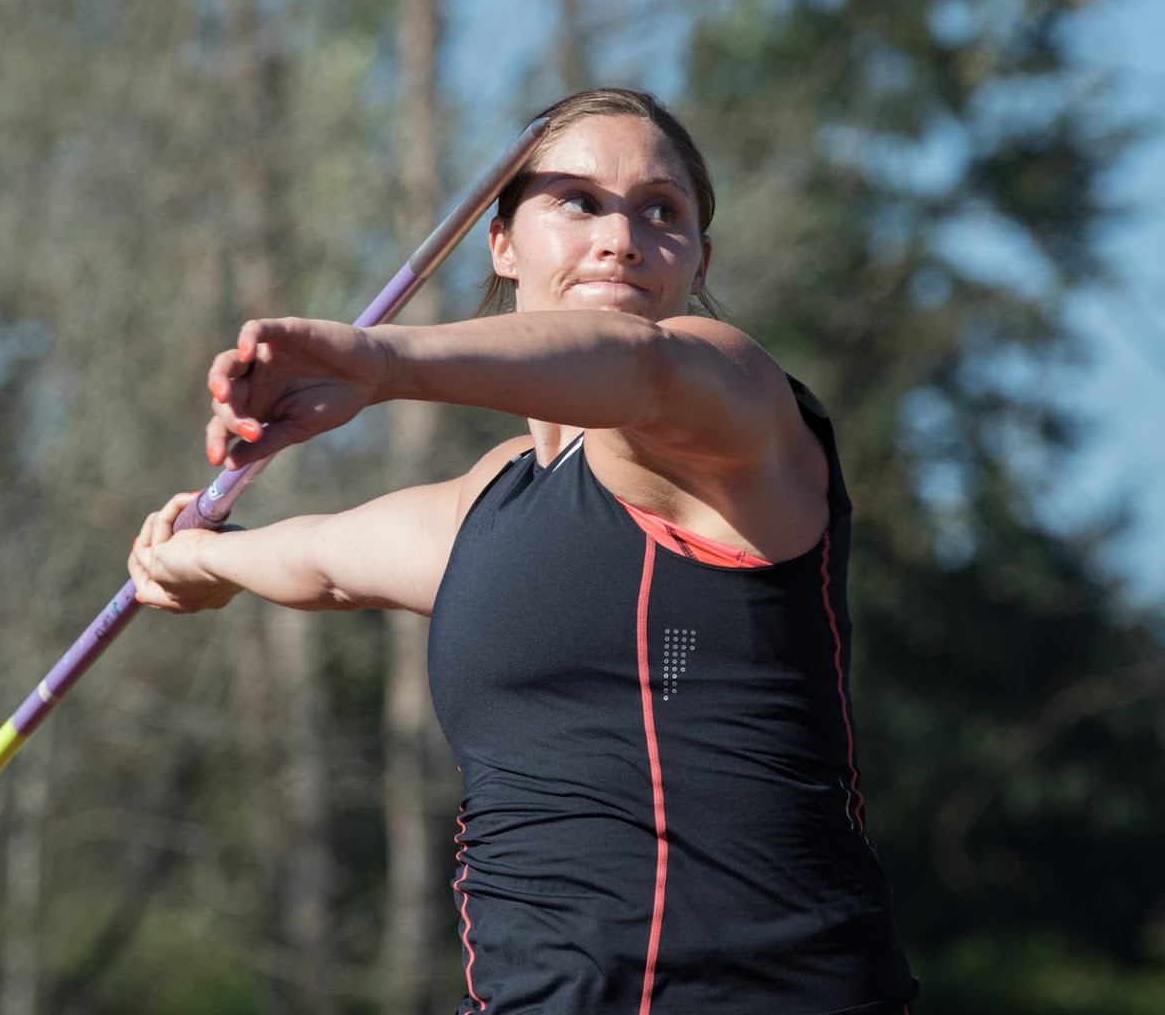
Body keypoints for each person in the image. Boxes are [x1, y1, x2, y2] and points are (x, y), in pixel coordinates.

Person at [128, 88, 917, 1014]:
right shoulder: (492, 501)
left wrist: (381, 364)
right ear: (501, 244)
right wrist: (198, 559)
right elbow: (327, 562)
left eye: (662, 212)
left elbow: (642, 370)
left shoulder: (728, 403)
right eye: (578, 201)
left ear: (700, 259)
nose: (622, 236)